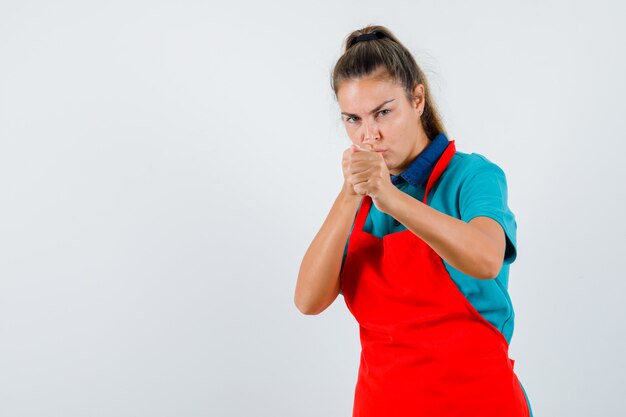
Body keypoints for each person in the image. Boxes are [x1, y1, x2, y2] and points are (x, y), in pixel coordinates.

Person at [294, 25, 533, 416]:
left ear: (417, 99)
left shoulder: (472, 176)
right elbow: (307, 300)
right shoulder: (357, 201)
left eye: (383, 112)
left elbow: (487, 258)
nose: (369, 135)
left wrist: (390, 198)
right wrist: (350, 194)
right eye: (352, 119)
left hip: (480, 405)